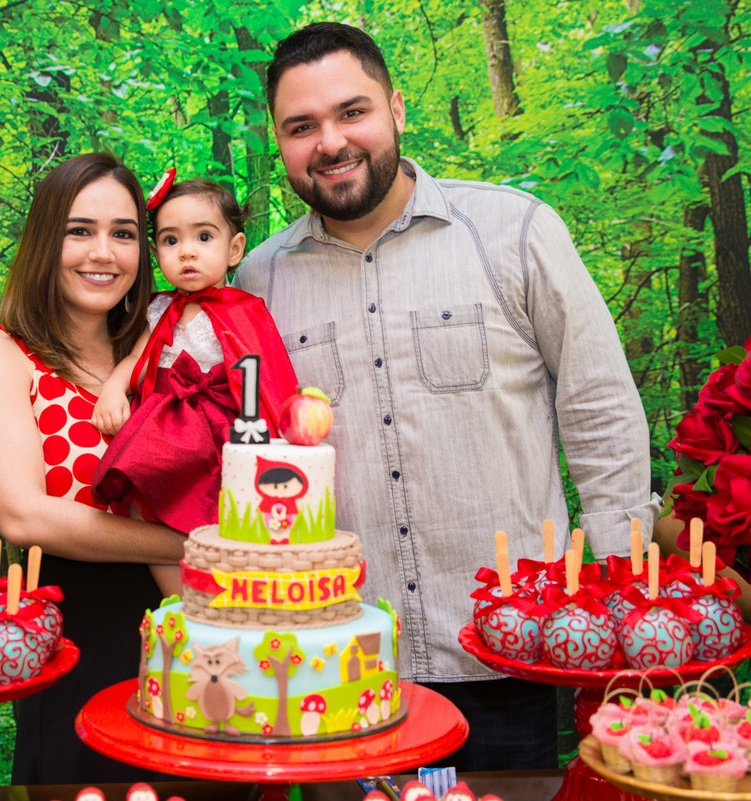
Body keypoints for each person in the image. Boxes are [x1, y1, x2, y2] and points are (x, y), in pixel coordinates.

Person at [235, 22, 661, 770]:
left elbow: (599, 409)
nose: (330, 141)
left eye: (351, 112)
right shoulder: (258, 282)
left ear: (396, 108)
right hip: (339, 660)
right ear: (279, 142)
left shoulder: (513, 231)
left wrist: (621, 593)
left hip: (508, 651)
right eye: (301, 127)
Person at [0, 153, 187, 784]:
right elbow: (24, 515)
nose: (103, 252)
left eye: (124, 233)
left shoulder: (165, 351)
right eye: (79, 231)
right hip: (80, 657)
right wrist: (190, 545)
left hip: (201, 653)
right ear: (44, 241)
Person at [91, 179, 298, 593]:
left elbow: (264, 374)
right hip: (167, 423)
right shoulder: (159, 308)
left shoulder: (246, 310)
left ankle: (232, 591)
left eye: (204, 237)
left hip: (223, 423)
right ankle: (178, 599)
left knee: (228, 505)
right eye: (171, 240)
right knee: (145, 499)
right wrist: (115, 388)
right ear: (156, 253)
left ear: (234, 249)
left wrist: (279, 427)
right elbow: (137, 358)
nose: (187, 251)